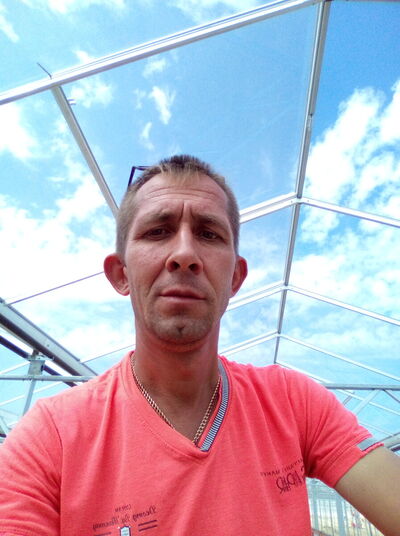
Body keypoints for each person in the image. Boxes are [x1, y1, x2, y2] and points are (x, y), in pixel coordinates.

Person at [0, 155, 399, 536]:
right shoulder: (50, 437)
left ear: (235, 278)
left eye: (209, 234)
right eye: (158, 231)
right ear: (120, 273)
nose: (185, 254)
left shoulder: (293, 403)